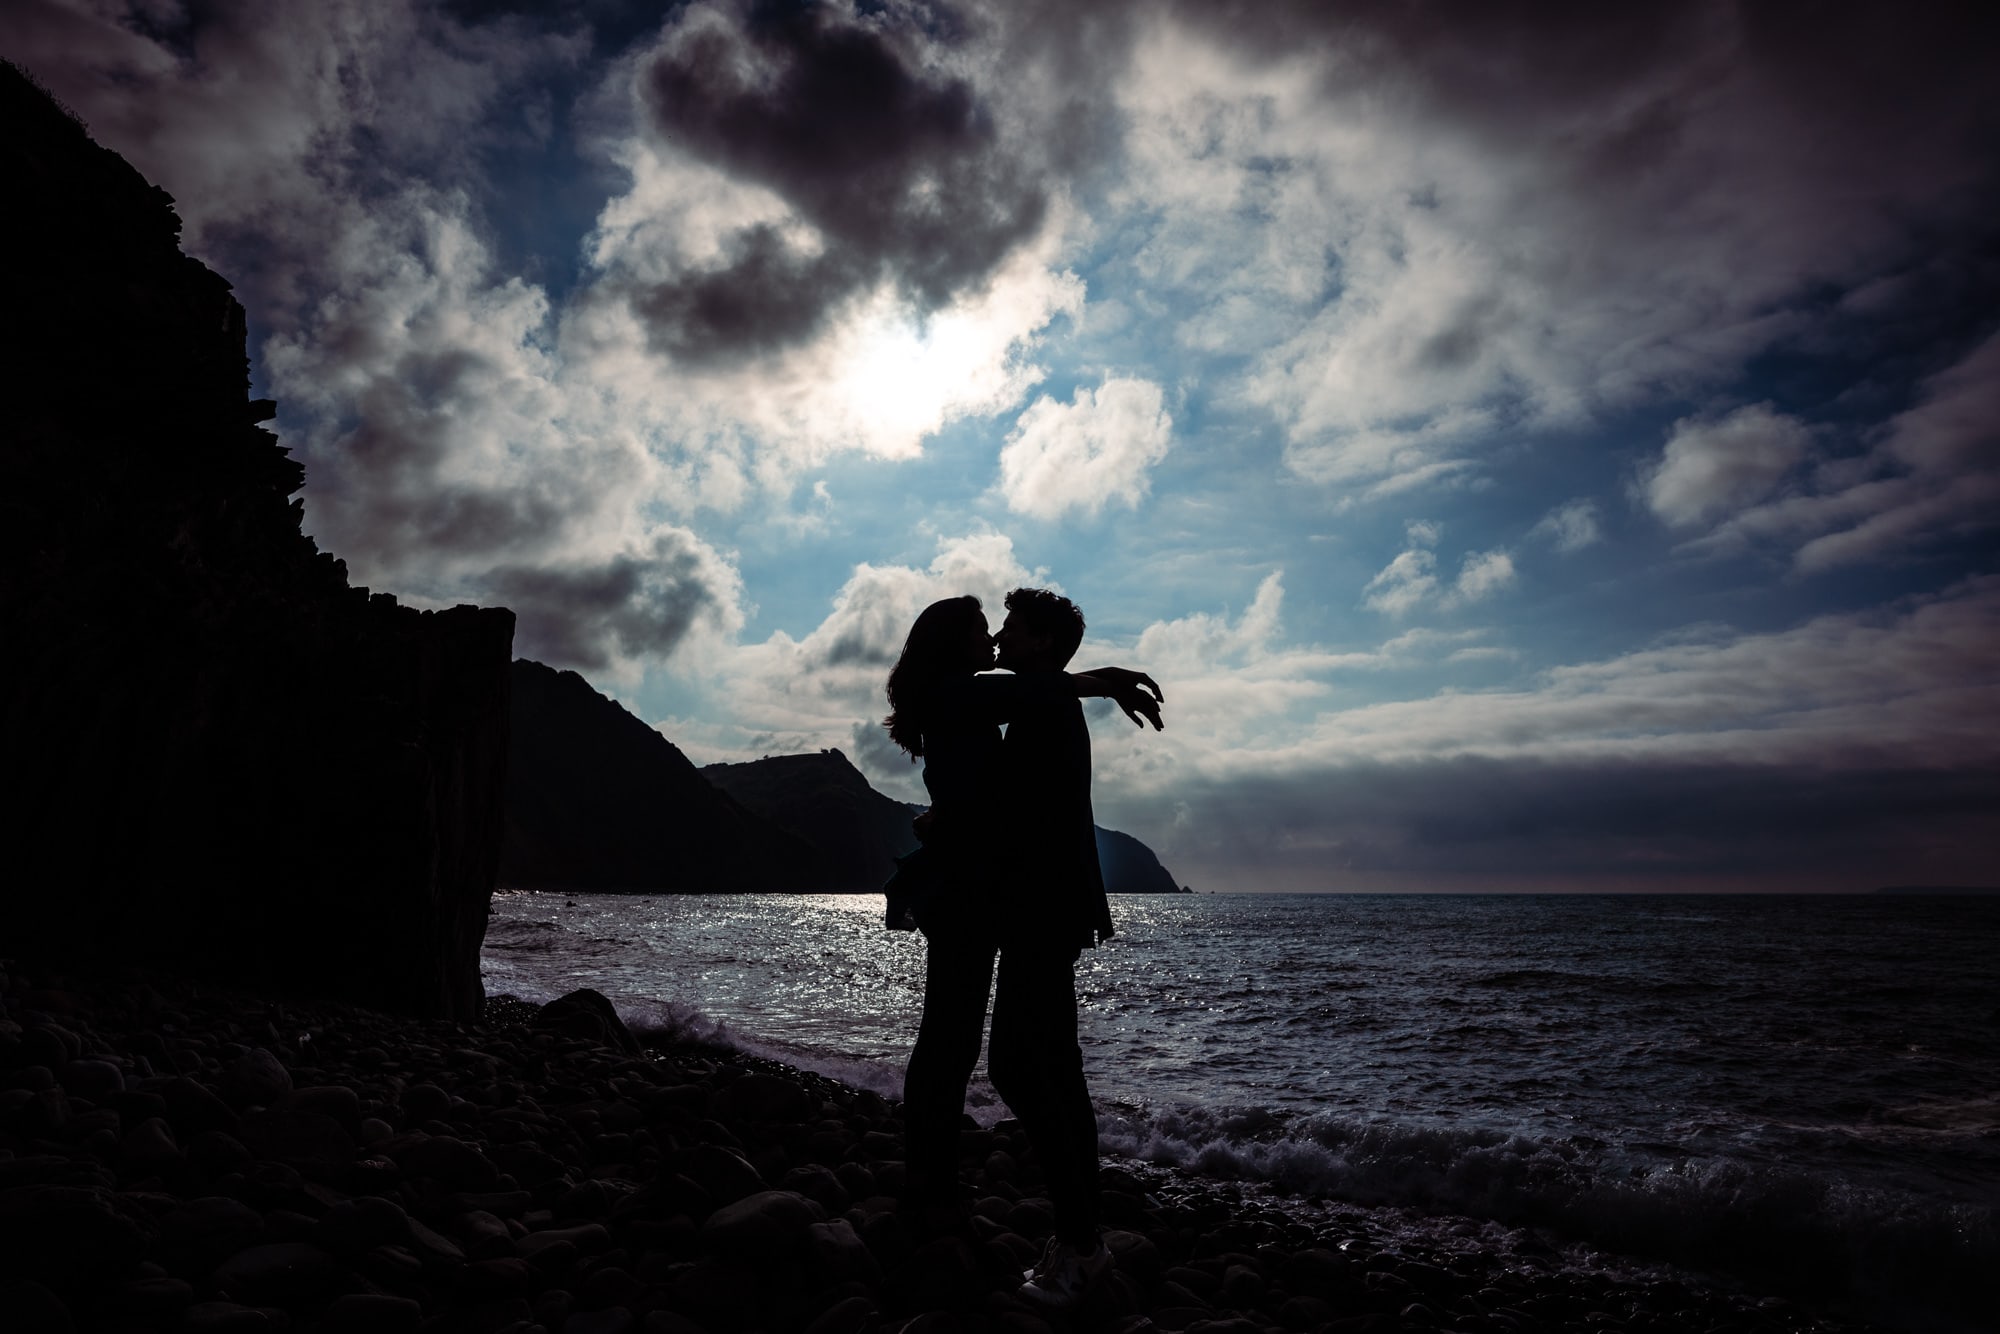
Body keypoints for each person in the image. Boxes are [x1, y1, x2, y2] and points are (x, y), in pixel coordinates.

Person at [882, 589, 1162, 1311]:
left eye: (1006, 627)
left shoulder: (1038, 705)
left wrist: (934, 827)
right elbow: (1003, 796)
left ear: (1036, 644)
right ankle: (1063, 1236)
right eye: (985, 628)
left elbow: (1025, 806)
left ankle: (1079, 1245)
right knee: (1015, 1064)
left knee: (1030, 1068)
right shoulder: (1005, 699)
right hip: (1024, 908)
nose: (997, 636)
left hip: (1039, 910)